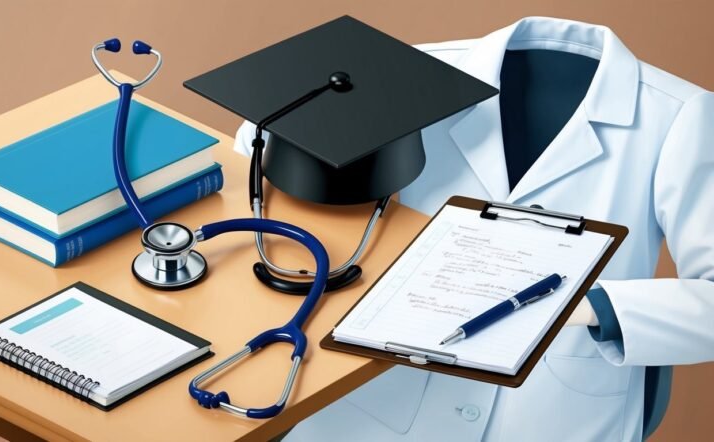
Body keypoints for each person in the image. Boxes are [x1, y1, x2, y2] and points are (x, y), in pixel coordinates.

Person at [234, 16, 714, 441]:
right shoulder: (409, 72)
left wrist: (591, 306)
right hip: (376, 396)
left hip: (549, 410)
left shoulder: (679, 115)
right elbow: (253, 149)